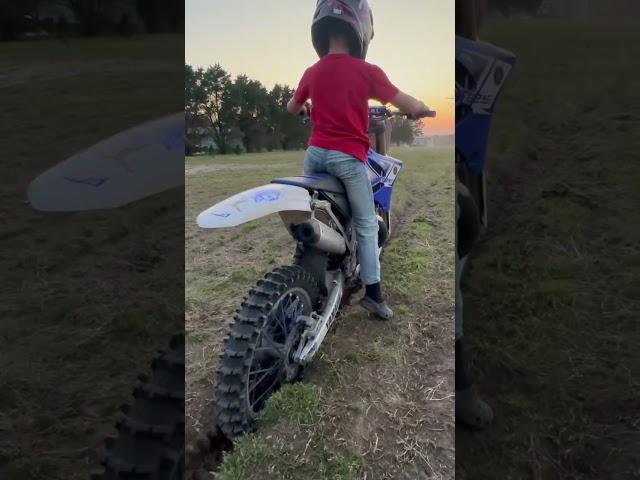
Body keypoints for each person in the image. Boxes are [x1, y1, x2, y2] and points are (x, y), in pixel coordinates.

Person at [287, 0, 429, 320]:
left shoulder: (312, 71)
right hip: (347, 159)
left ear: (321, 32)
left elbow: (291, 108)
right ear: (360, 30)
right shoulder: (367, 72)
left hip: (314, 157)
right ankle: (374, 296)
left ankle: (312, 261)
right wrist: (419, 106)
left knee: (315, 214)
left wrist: (306, 109)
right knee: (366, 225)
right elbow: (402, 100)